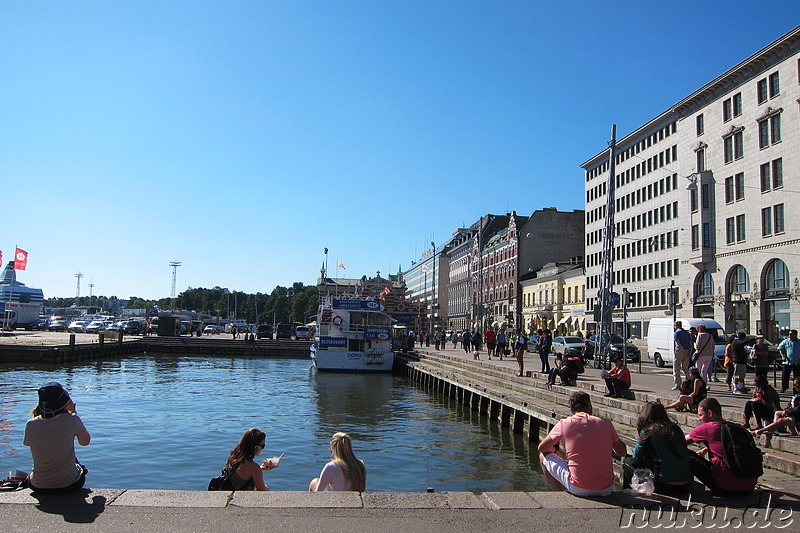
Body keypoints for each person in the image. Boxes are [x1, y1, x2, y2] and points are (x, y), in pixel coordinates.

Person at [538, 391, 627, 497]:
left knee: (543, 456)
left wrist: (555, 451)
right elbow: (622, 452)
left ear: (572, 409)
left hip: (579, 488)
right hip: (607, 489)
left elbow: (542, 448)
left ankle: (560, 493)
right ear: (589, 405)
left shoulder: (564, 423)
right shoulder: (606, 423)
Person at [23, 382, 91, 493]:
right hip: (69, 485)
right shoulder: (72, 419)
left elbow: (28, 443)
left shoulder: (31, 424)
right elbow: (85, 442)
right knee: (80, 467)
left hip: (38, 486)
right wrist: (74, 413)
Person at [685, 398, 758, 496]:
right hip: (749, 488)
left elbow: (680, 441)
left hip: (724, 487)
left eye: (701, 415)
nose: (699, 419)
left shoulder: (708, 427)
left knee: (686, 454)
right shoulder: (737, 427)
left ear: (710, 413)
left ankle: (684, 487)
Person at [623, 402, 691, 495]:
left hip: (664, 485)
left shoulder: (648, 431)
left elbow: (636, 456)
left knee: (627, 462)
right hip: (684, 485)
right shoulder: (676, 429)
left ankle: (629, 493)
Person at [673, 321, 692, 390]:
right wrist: (688, 352)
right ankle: (691, 382)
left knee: (676, 368)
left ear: (676, 326)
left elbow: (678, 343)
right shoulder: (687, 333)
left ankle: (678, 385)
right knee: (685, 369)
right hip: (687, 350)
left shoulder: (677, 333)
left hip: (679, 351)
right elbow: (690, 344)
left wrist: (683, 351)